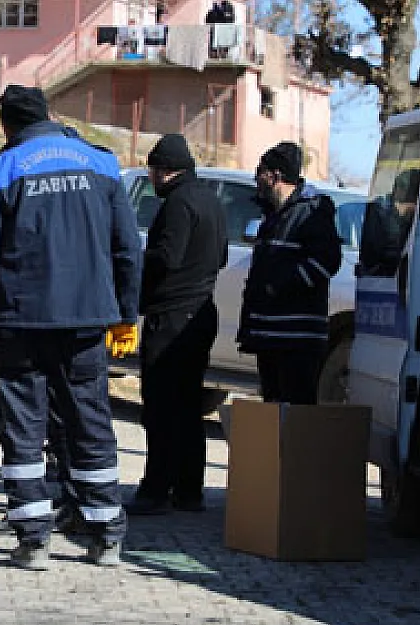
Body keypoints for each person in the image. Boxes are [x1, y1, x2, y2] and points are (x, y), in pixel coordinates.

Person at [0, 85, 142, 569]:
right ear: (49, 114)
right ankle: (107, 537)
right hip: (86, 319)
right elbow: (126, 248)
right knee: (90, 422)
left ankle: (34, 539)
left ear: (6, 124)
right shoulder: (101, 164)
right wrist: (126, 314)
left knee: (23, 428)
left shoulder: (0, 170)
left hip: (20, 322)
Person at [125, 134, 227, 516]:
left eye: (152, 170)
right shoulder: (211, 201)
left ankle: (155, 489)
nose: (150, 178)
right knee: (187, 408)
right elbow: (220, 257)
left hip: (171, 318)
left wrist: (136, 267)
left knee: (162, 408)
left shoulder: (178, 205)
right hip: (200, 313)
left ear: (164, 171)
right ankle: (189, 490)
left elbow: (165, 258)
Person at [237, 141, 343, 405]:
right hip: (269, 337)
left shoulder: (312, 212)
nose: (256, 178)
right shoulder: (272, 216)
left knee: (295, 416)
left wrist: (279, 287)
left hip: (296, 339)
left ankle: (296, 449)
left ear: (275, 176)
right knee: (273, 414)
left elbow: (326, 261)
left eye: (260, 171)